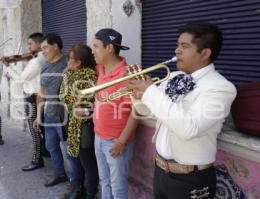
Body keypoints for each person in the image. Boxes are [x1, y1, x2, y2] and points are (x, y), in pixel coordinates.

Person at [127, 22, 237, 199]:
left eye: (184, 46)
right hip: (161, 171)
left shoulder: (221, 88)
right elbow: (146, 110)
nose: (177, 51)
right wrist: (137, 94)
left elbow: (189, 128)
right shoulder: (176, 77)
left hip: (191, 178)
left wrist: (149, 91)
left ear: (205, 53)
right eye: (178, 45)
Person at [92, 28, 138, 199]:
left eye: (96, 46)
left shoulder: (128, 74)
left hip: (115, 141)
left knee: (118, 188)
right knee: (104, 181)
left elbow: (136, 111)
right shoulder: (100, 69)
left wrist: (121, 141)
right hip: (99, 137)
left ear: (109, 48)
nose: (93, 51)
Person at [4, 32, 49, 171]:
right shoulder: (42, 57)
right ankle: (45, 151)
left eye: (30, 44)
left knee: (34, 130)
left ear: (39, 44)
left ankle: (37, 160)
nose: (28, 47)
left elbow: (21, 78)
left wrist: (8, 67)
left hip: (33, 97)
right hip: (37, 94)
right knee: (41, 128)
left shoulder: (37, 61)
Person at [59, 44, 99, 199]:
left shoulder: (88, 75)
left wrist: (66, 77)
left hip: (84, 125)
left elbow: (66, 98)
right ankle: (80, 190)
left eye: (70, 58)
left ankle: (90, 193)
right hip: (74, 124)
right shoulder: (73, 73)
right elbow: (65, 97)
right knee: (79, 160)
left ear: (79, 62)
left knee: (88, 163)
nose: (67, 61)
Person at [33, 33, 68, 187]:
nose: (43, 52)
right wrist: (38, 116)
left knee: (69, 151)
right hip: (49, 115)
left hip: (65, 116)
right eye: (41, 49)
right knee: (51, 146)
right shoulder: (45, 66)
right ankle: (60, 174)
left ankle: (77, 183)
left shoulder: (69, 63)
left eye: (45, 48)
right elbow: (41, 94)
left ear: (55, 46)